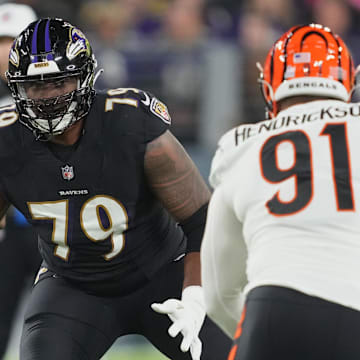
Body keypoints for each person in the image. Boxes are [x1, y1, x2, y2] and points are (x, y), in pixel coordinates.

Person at [1, 17, 231, 360]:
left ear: (85, 78)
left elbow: (201, 219)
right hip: (72, 285)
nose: (47, 97)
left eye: (59, 82)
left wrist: (196, 294)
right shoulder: (7, 142)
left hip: (162, 271)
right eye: (36, 86)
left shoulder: (130, 123)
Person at [201, 23, 360, 360]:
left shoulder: (240, 145)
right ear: (349, 81)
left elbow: (217, 293)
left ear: (270, 87)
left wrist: (259, 334)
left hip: (272, 310)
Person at [0, 4, 41, 359]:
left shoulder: (58, 88)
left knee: (66, 326)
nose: (5, 50)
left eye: (13, 40)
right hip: (6, 231)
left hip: (54, 225)